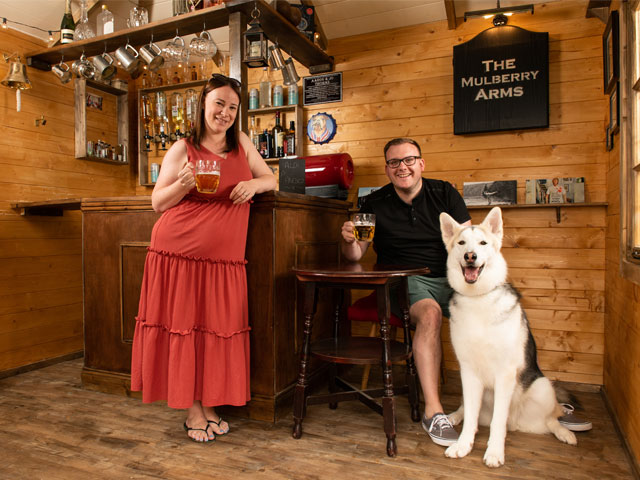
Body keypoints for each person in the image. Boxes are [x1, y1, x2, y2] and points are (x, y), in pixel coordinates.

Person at [130, 74, 276, 443]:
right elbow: (157, 203)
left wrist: (254, 184)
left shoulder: (242, 143)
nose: (224, 113)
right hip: (178, 251)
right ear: (203, 104)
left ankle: (209, 402)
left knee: (214, 330)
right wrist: (184, 183)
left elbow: (271, 179)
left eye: (232, 107)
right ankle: (194, 408)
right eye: (218, 104)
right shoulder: (183, 147)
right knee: (187, 329)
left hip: (224, 261)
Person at [340, 137, 471, 447]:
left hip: (453, 279)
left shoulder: (444, 193)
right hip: (407, 281)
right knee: (430, 314)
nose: (403, 167)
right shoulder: (373, 204)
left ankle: (534, 399)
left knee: (504, 308)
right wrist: (347, 240)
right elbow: (356, 256)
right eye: (395, 162)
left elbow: (469, 244)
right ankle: (434, 412)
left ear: (421, 164)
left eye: (409, 160)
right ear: (387, 169)